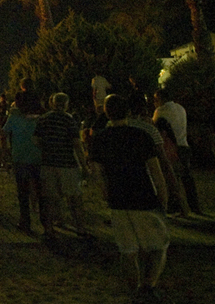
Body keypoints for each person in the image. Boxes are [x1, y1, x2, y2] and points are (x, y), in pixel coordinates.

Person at [90, 94, 169, 303]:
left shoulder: (100, 139)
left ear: (107, 113)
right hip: (143, 197)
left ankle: (133, 289)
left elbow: (97, 172)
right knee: (158, 246)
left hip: (118, 200)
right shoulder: (141, 136)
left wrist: (105, 192)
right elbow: (155, 171)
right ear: (127, 112)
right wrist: (163, 198)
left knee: (128, 251)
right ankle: (148, 286)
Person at [33, 92, 89, 240]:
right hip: (67, 164)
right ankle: (80, 228)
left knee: (50, 198)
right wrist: (83, 165)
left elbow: (36, 140)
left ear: (52, 104)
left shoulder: (43, 119)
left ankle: (50, 228)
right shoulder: (69, 119)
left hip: (48, 163)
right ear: (66, 104)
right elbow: (77, 144)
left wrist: (47, 148)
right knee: (74, 198)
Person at [2, 93, 48, 235]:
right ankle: (47, 224)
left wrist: (6, 153)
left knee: (23, 193)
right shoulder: (43, 117)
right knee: (42, 194)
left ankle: (25, 221)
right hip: (40, 158)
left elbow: (4, 134)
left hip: (20, 158)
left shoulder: (14, 117)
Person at [152, 88, 201, 214]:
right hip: (184, 145)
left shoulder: (160, 111)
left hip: (171, 148)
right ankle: (194, 206)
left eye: (156, 100)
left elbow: (155, 128)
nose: (154, 102)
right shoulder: (180, 108)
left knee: (172, 178)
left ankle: (176, 206)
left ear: (161, 99)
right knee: (187, 178)